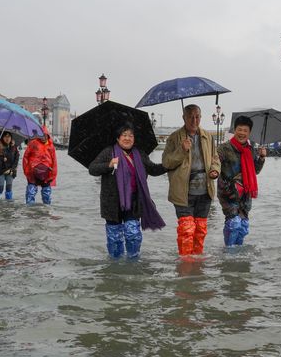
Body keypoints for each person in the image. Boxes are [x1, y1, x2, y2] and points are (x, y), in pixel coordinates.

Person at [88, 124, 168, 258]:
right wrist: (108, 165)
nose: (127, 138)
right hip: (112, 202)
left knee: (133, 233)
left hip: (134, 201)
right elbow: (92, 169)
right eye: (124, 135)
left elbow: (153, 169)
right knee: (114, 237)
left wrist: (169, 165)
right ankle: (115, 264)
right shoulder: (109, 152)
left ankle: (133, 261)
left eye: (131, 135)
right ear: (118, 138)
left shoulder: (139, 154)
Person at [162, 104, 220, 256]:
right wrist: (182, 150)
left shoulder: (208, 136)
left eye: (197, 117)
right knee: (187, 230)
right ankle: (185, 267)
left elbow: (215, 158)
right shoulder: (174, 137)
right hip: (183, 192)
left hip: (205, 190)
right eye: (190, 117)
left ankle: (197, 268)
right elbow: (167, 162)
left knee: (200, 230)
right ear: (184, 117)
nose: (194, 120)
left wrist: (215, 170)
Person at [217, 115, 266, 247]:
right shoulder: (224, 148)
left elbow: (255, 171)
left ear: (249, 133)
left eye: (245, 130)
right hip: (228, 193)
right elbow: (215, 164)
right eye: (240, 129)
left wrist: (261, 157)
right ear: (235, 130)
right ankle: (228, 254)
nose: (242, 133)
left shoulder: (250, 150)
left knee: (243, 227)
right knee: (234, 224)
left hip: (245, 195)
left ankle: (238, 258)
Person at [23, 125, 57, 205]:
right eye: (41, 135)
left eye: (45, 135)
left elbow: (54, 161)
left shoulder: (51, 146)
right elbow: (25, 157)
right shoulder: (33, 143)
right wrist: (27, 170)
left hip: (46, 174)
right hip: (33, 173)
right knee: (30, 192)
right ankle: (30, 211)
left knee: (47, 195)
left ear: (47, 135)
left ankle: (46, 212)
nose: (43, 137)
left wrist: (52, 175)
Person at [0, 131, 20, 201]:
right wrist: (0, 158)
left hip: (10, 171)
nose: (7, 138)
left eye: (9, 136)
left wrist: (12, 169)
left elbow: (16, 159)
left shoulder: (14, 147)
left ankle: (8, 206)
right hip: (0, 171)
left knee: (9, 190)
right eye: (5, 136)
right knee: (0, 189)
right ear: (2, 137)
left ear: (11, 138)